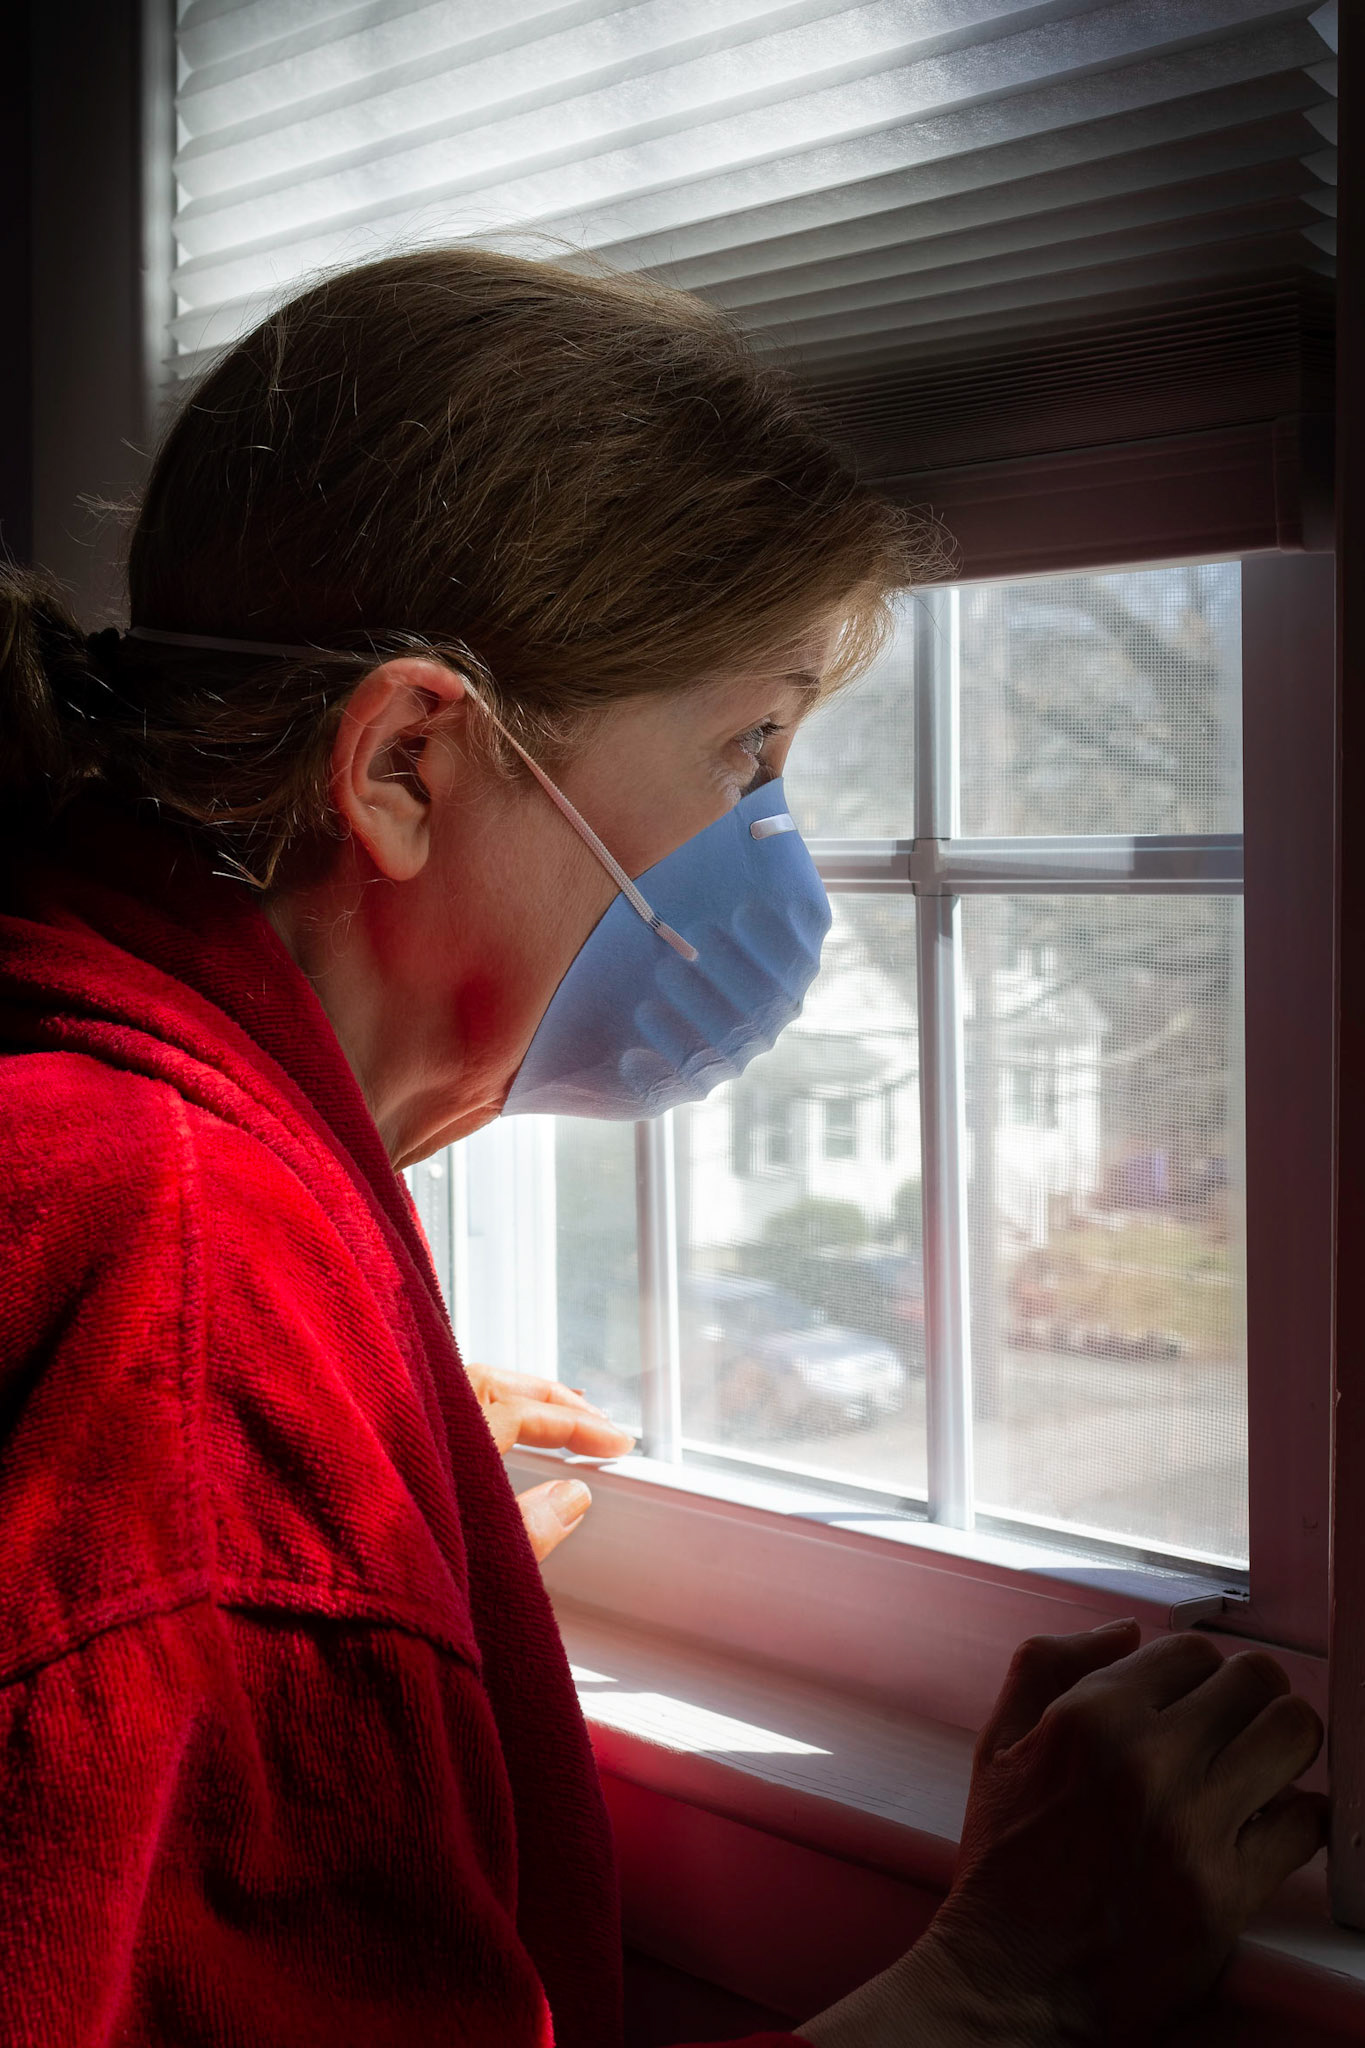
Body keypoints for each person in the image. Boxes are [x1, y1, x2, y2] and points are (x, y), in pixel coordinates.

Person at [0, 247, 1324, 2048]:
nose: (774, 841)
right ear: (401, 763)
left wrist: (362, 1494)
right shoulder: (179, 1295)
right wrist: (1001, 1983)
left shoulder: (123, 1149)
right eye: (745, 745)